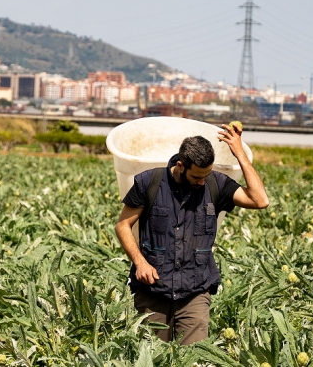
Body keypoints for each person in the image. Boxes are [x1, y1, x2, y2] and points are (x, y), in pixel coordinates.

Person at [112, 123, 269, 344]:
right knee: (151, 357)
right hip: (153, 291)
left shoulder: (216, 184)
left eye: (207, 175)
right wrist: (140, 262)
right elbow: (122, 225)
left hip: (195, 292)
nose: (202, 181)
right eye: (197, 177)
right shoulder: (149, 182)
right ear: (181, 165)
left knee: (193, 358)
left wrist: (239, 152)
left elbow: (260, 200)